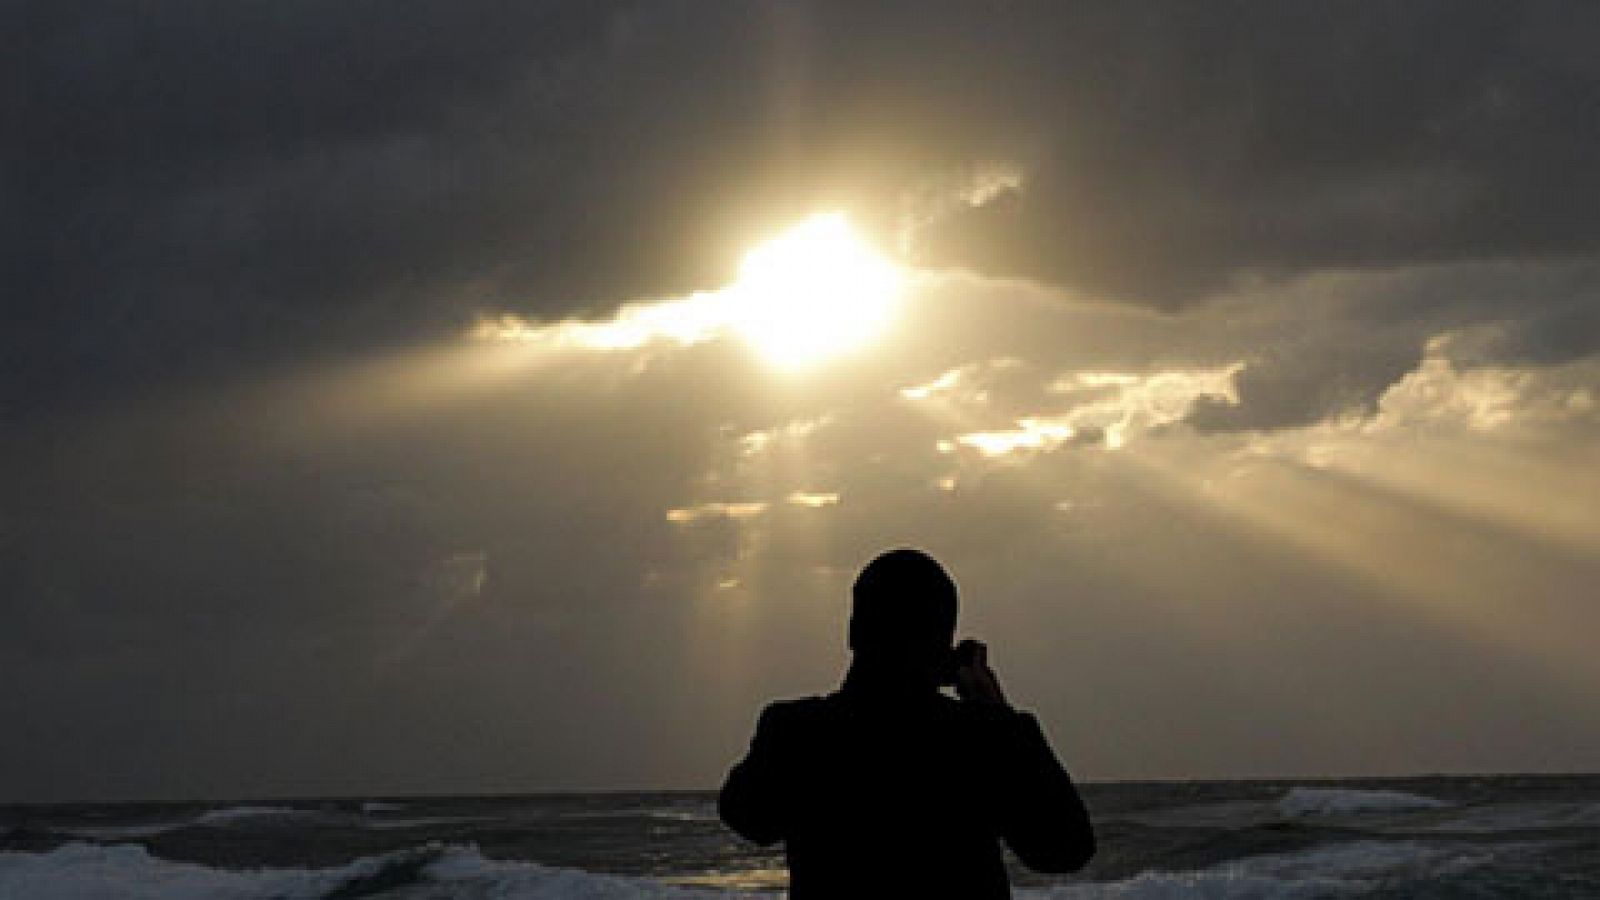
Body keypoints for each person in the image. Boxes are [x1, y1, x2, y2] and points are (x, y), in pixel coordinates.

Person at [718, 547, 1095, 898]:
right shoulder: (984, 737)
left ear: (853, 631)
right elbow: (1064, 850)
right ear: (945, 643)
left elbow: (747, 817)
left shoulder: (797, 730)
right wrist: (997, 713)